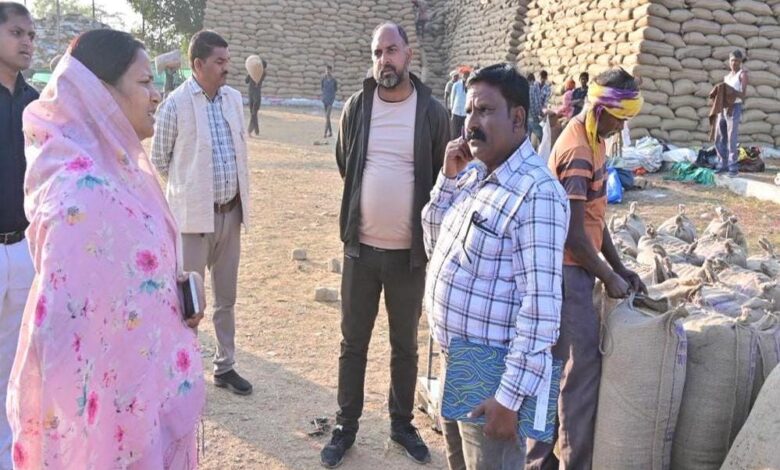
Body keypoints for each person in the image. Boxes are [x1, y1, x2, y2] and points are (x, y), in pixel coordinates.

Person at [8, 29, 205, 468]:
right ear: (99, 93)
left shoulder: (118, 172)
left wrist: (175, 293)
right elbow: (66, 331)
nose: (156, 95)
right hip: (113, 421)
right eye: (144, 82)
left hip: (139, 395)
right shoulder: (80, 191)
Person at [423, 63, 569, 470]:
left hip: (494, 378)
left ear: (518, 118)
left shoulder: (536, 194)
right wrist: (447, 180)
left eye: (485, 111)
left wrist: (509, 398)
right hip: (460, 364)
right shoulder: (475, 175)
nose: (471, 123)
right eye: (469, 111)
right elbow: (434, 244)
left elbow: (540, 310)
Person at [321, 22, 449, 468]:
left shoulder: (431, 112)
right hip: (360, 250)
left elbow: (440, 174)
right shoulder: (357, 106)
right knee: (352, 342)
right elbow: (347, 162)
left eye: (391, 50)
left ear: (408, 54)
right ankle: (345, 426)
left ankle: (401, 424)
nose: (384, 60)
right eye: (377, 53)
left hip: (409, 257)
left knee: (405, 346)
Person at [526, 68, 647, 470]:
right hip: (566, 274)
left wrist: (619, 267)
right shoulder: (578, 148)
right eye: (620, 118)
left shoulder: (594, 140)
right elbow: (574, 236)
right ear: (602, 108)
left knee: (553, 370)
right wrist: (608, 277)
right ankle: (568, 462)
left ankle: (538, 460)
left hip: (574, 269)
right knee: (579, 374)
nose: (622, 126)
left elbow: (594, 219)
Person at [152, 30, 253, 396]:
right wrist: (189, 192)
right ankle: (185, 372)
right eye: (219, 61)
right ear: (198, 64)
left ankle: (225, 366)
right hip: (193, 220)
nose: (227, 67)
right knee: (189, 302)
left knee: (226, 298)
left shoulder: (234, 99)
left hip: (230, 214)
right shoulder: (175, 104)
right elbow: (159, 159)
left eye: (228, 60)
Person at [0, 3, 37, 467]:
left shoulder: (37, 104)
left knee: (13, 361)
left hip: (25, 249)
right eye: (16, 33)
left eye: (31, 35)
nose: (27, 41)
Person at [715, 50, 748, 177]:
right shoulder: (727, 77)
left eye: (737, 61)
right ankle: (722, 164)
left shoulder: (742, 75)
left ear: (741, 62)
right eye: (732, 60)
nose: (734, 63)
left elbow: (743, 95)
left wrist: (731, 91)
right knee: (720, 136)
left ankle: (733, 167)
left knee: (731, 137)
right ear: (729, 61)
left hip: (734, 108)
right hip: (723, 108)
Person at [245, 58, 266, 136]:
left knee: (253, 114)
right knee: (254, 113)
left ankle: (250, 130)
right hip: (256, 95)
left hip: (252, 95)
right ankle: (256, 130)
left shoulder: (255, 73)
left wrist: (249, 72)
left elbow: (246, 81)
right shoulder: (263, 73)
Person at [449, 69, 469, 139]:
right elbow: (452, 98)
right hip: (456, 111)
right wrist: (452, 110)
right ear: (462, 75)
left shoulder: (470, 86)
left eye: (467, 75)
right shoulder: (456, 84)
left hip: (465, 112)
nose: (466, 76)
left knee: (463, 133)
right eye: (464, 75)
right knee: (454, 131)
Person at [321, 64, 338, 138]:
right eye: (326, 70)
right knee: (327, 117)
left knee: (327, 116)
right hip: (325, 100)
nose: (327, 71)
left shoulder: (334, 80)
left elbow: (335, 89)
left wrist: (332, 98)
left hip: (331, 100)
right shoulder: (323, 79)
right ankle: (330, 132)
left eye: (329, 70)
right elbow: (322, 88)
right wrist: (323, 97)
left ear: (331, 71)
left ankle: (325, 133)